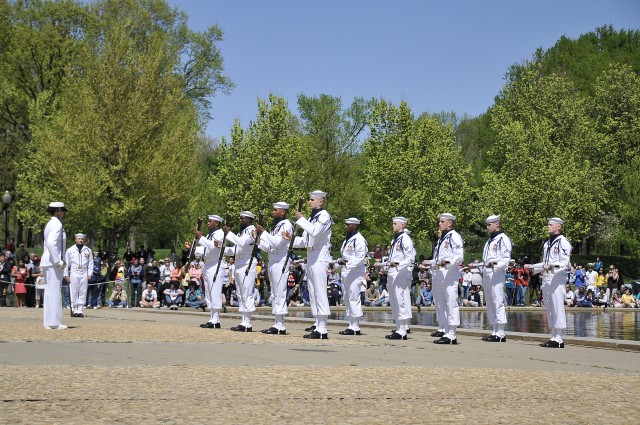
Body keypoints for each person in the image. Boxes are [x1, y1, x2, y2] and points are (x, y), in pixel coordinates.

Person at [285, 190, 333, 339]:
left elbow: (315, 232)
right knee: (313, 292)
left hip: (320, 256)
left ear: (321, 201)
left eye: (312, 200)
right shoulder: (313, 218)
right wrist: (290, 238)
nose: (309, 202)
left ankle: (323, 327)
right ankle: (318, 324)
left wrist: (301, 220)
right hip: (311, 256)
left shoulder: (324, 216)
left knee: (319, 291)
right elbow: (306, 240)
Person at [525, 217, 572, 348]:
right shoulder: (547, 244)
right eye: (548, 224)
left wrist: (551, 266)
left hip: (557, 278)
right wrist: (532, 266)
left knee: (557, 306)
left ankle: (559, 337)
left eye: (550, 224)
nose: (548, 226)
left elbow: (564, 263)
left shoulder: (563, 242)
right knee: (550, 308)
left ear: (559, 227)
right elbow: (545, 263)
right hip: (546, 278)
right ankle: (553, 335)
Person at [256, 201, 294, 335]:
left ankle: (280, 324)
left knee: (280, 292)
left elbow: (278, 243)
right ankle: (277, 322)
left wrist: (264, 232)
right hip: (273, 259)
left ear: (283, 212)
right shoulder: (277, 226)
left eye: (275, 210)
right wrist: (260, 238)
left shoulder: (287, 225)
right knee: (274, 292)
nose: (273, 212)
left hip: (281, 260)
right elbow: (269, 247)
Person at [374, 216, 415, 340]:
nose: (393, 225)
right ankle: (398, 328)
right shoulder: (395, 240)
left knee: (400, 300)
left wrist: (397, 264)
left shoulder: (405, 239)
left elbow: (410, 259)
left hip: (400, 273)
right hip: (392, 273)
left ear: (402, 225)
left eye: (395, 223)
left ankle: (403, 330)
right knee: (394, 301)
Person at [430, 213, 464, 344]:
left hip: (449, 274)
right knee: (442, 303)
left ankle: (452, 333)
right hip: (440, 274)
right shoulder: (443, 238)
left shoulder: (454, 236)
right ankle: (445, 330)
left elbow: (459, 256)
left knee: (451, 302)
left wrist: (447, 262)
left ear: (449, 223)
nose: (439, 224)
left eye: (442, 221)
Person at [223, 211, 258, 332]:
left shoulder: (251, 230)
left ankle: (247, 322)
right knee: (240, 293)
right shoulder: (241, 232)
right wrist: (222, 248)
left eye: (242, 218)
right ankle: (244, 320)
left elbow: (242, 243)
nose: (239, 220)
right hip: (239, 263)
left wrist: (228, 233)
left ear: (249, 220)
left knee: (246, 292)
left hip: (247, 263)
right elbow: (235, 250)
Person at [336, 217, 368, 336]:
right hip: (346, 272)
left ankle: (356, 326)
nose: (346, 227)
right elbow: (346, 255)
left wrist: (347, 263)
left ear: (355, 226)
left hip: (355, 273)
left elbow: (360, 258)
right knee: (347, 298)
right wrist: (341, 261)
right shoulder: (348, 239)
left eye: (348, 225)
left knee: (354, 298)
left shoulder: (359, 240)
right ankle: (350, 324)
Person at [40, 202, 68, 330]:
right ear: (58, 211)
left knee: (50, 291)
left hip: (48, 260)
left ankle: (50, 321)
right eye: (63, 211)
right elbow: (51, 243)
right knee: (54, 291)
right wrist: (58, 261)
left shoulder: (50, 223)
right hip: (52, 262)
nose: (64, 213)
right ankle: (53, 322)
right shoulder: (57, 224)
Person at [63, 233, 93, 317]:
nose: (80, 240)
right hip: (74, 272)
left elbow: (91, 262)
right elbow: (66, 263)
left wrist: (90, 273)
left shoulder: (87, 250)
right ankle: (74, 309)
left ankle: (80, 310)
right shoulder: (70, 250)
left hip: (84, 272)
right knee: (74, 291)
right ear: (75, 239)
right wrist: (66, 275)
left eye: (82, 239)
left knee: (83, 291)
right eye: (79, 239)